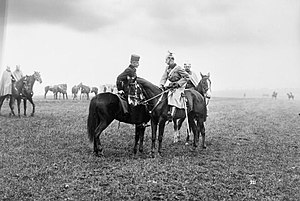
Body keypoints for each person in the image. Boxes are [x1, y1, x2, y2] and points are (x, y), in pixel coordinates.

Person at [159, 52, 190, 121]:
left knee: (174, 96)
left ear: (171, 60)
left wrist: (178, 83)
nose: (166, 62)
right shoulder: (167, 68)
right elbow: (164, 77)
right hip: (172, 85)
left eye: (167, 60)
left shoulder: (178, 68)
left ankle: (172, 114)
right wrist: (161, 85)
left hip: (179, 86)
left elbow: (187, 77)